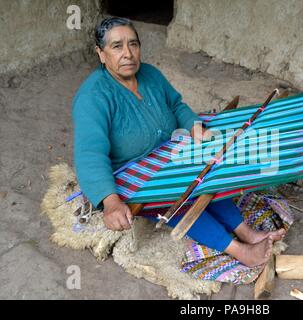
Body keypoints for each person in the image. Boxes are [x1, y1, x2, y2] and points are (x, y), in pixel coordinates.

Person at [72, 17, 285, 267]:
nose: (128, 54)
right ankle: (238, 249)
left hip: (166, 153)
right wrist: (110, 201)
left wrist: (193, 126)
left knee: (204, 173)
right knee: (175, 194)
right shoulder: (93, 96)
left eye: (133, 44)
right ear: (101, 54)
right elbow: (90, 154)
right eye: (117, 46)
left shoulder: (150, 74)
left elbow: (176, 105)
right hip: (131, 173)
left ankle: (246, 232)